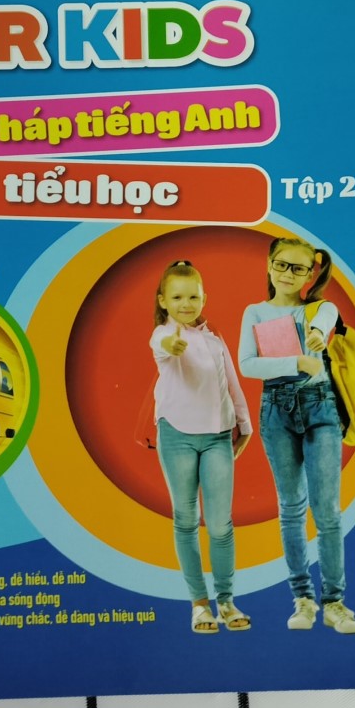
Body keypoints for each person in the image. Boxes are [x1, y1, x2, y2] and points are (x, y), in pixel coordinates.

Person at [237, 236, 355, 634]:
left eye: (298, 268)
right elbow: (247, 365)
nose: (288, 274)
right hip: (276, 411)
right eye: (281, 264)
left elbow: (326, 319)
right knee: (291, 507)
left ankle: (335, 603)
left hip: (320, 407)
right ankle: (303, 600)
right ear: (269, 265)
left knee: (327, 511)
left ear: (311, 274)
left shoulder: (320, 309)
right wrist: (296, 362)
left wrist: (318, 336)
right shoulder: (255, 312)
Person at [150, 260, 253, 634]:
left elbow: (232, 382)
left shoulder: (214, 338)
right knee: (186, 519)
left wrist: (244, 423)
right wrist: (172, 344)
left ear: (204, 298)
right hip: (176, 434)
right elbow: (163, 346)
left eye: (193, 297)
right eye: (177, 297)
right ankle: (199, 604)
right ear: (163, 300)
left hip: (218, 437)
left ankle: (226, 600)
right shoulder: (163, 334)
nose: (186, 304)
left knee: (221, 524)